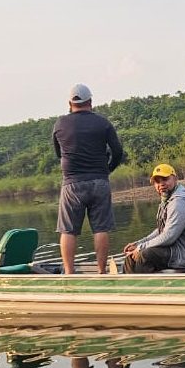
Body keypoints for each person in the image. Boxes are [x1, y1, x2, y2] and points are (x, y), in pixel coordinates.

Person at [53, 83, 125, 274]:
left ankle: (69, 273)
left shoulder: (60, 124)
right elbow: (117, 151)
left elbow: (58, 154)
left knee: (68, 230)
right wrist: (107, 169)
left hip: (71, 183)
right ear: (90, 102)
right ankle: (101, 271)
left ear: (70, 103)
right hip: (99, 181)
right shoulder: (103, 123)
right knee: (100, 228)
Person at [122, 164, 185, 273]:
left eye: (165, 179)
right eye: (157, 182)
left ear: (175, 179)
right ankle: (129, 286)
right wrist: (138, 243)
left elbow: (169, 236)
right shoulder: (167, 200)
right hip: (175, 251)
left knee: (144, 255)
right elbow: (161, 230)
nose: (161, 184)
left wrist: (142, 247)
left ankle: (143, 288)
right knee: (131, 257)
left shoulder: (179, 202)